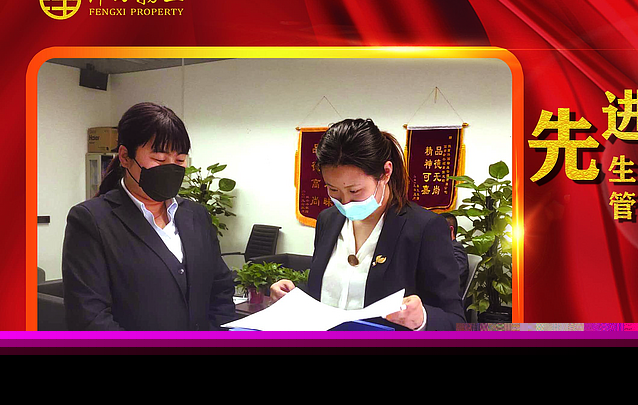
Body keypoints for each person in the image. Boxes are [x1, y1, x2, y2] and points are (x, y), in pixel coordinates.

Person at [270, 118, 464, 330]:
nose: (345, 202)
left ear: (385, 173)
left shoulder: (424, 228)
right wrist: (295, 294)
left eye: (355, 191)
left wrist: (422, 319)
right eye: (333, 190)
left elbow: (456, 321)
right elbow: (330, 292)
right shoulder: (328, 220)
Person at [62, 102, 236, 330]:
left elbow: (221, 290)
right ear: (125, 157)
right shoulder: (91, 221)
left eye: (180, 160)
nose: (171, 168)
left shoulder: (196, 216)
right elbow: (90, 318)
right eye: (160, 160)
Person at [442, 213, 469, 297]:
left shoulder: (456, 249)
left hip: (448, 298)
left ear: (451, 229)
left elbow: (453, 276)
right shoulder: (442, 248)